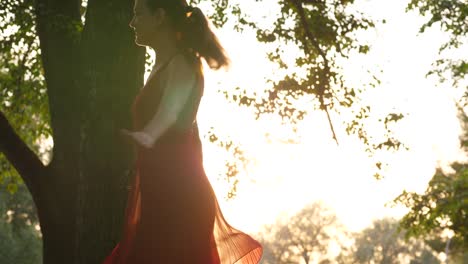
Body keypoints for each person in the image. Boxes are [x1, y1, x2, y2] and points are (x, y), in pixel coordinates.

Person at [102, 0, 263, 263]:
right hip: (161, 196)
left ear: (160, 17)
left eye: (138, 14)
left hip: (180, 200)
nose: (132, 23)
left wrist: (149, 134)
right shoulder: (161, 66)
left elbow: (171, 110)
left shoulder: (184, 64)